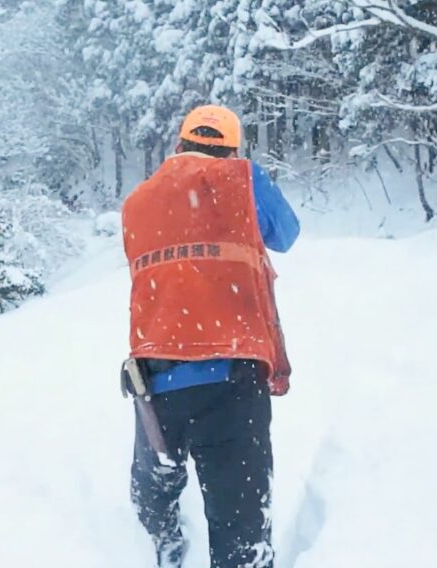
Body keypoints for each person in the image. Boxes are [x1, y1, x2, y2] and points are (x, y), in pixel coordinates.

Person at [120, 105, 300, 568]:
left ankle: (163, 547)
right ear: (232, 152)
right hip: (232, 378)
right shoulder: (242, 179)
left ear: (178, 145)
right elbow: (286, 234)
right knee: (241, 528)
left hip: (155, 382)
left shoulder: (137, 202)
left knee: (153, 492)